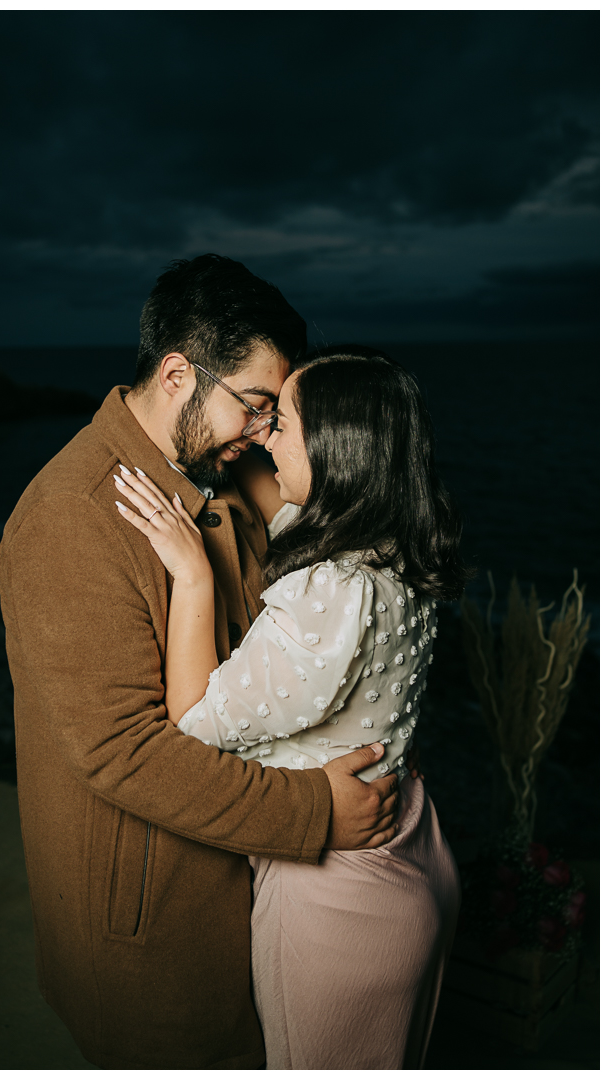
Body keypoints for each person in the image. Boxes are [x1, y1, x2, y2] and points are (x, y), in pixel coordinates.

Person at [0, 256, 402, 1071]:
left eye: (271, 412)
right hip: (151, 916)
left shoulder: (226, 470)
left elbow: (344, 522)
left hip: (245, 892)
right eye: (255, 404)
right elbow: (123, 753)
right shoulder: (69, 519)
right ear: (178, 372)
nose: (260, 431)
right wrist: (313, 814)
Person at [114, 348, 466, 1069]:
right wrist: (232, 436)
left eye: (284, 422)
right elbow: (287, 497)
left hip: (338, 900)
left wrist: (193, 574)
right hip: (416, 850)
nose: (264, 435)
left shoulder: (328, 592)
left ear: (337, 448)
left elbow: (193, 723)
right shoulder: (394, 547)